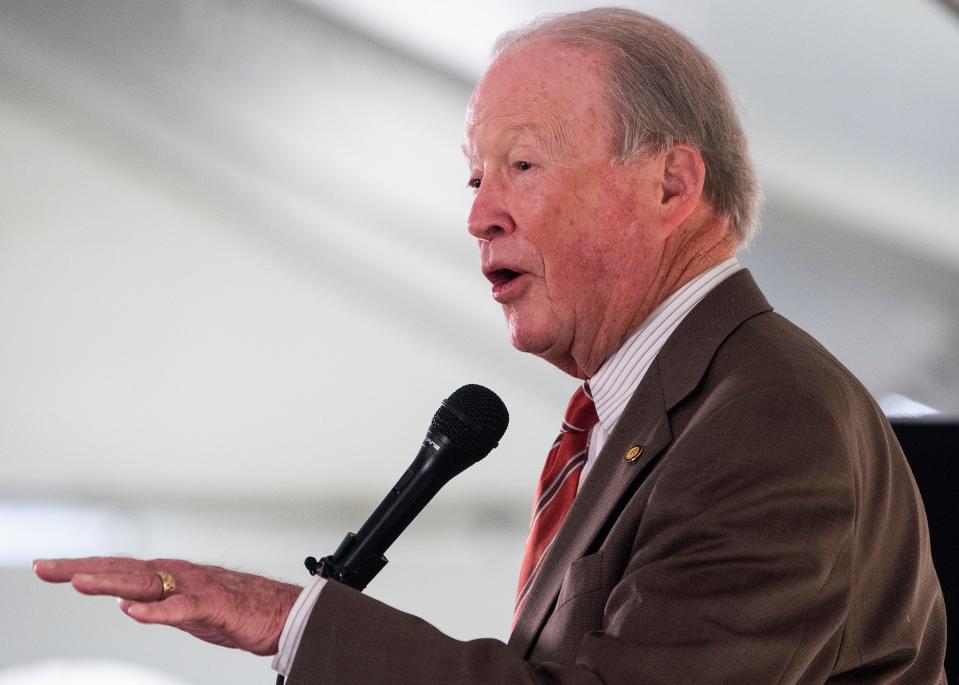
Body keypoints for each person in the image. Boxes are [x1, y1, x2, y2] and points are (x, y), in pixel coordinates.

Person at [34, 8, 947, 683]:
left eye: (521, 165)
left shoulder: (768, 415)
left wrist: (297, 620)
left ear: (672, 183)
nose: (477, 215)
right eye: (474, 176)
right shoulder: (660, 407)